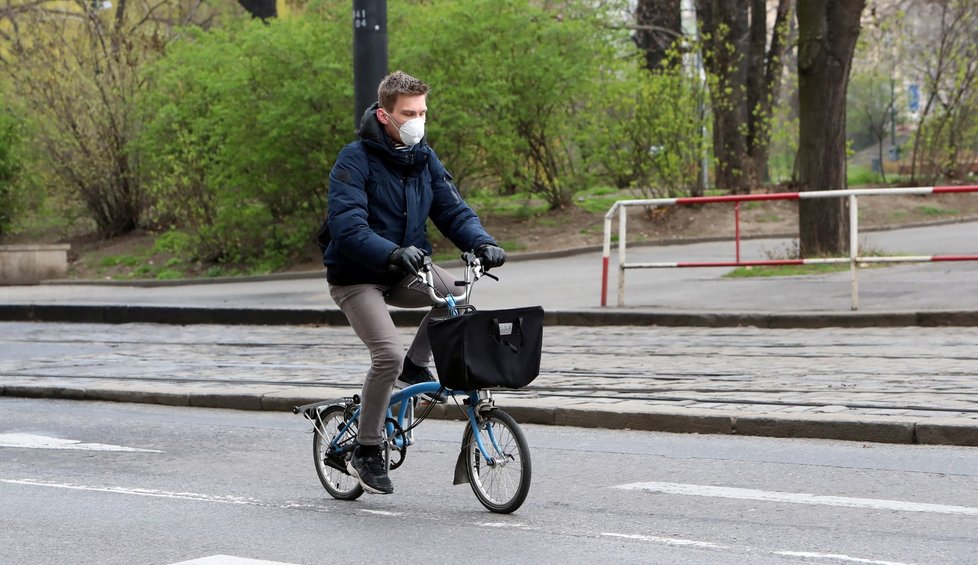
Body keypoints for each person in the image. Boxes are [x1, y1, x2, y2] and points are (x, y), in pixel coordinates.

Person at [323, 70, 506, 495]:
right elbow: (347, 227)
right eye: (409, 113)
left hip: (407, 268)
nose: (417, 121)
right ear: (385, 115)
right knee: (386, 354)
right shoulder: (353, 160)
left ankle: (414, 365)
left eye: (422, 112)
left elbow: (453, 211)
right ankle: (367, 448)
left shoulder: (424, 157)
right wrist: (389, 251)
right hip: (357, 276)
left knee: (456, 300)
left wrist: (483, 242)